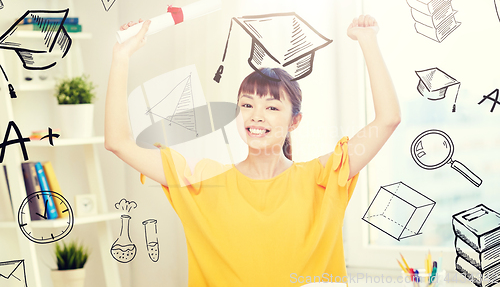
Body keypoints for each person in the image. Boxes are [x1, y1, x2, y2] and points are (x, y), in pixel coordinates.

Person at [105, 15, 400, 286]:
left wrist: (367, 40)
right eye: (247, 105)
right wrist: (121, 57)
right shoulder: (204, 181)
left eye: (272, 107)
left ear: (294, 121)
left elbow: (388, 119)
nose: (256, 116)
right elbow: (118, 143)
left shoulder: (322, 178)